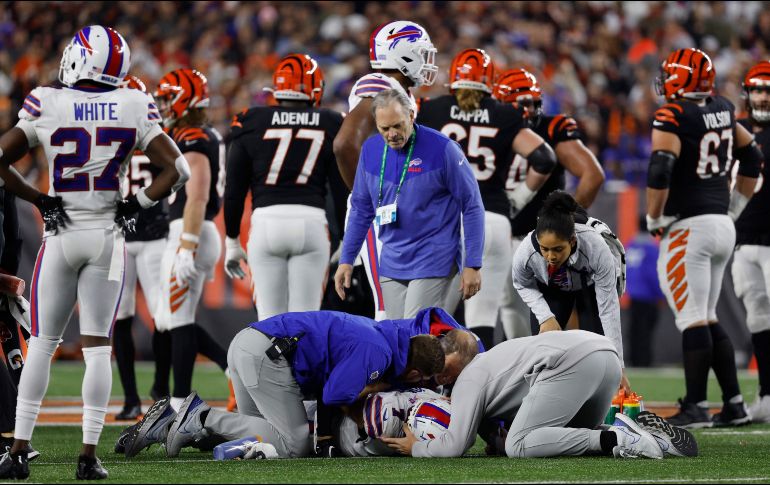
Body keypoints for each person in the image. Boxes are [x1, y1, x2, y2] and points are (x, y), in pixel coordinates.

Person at [0, 25, 189, 480]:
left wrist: (38, 199)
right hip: (106, 236)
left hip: (61, 235)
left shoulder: (48, 100)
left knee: (43, 345)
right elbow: (177, 170)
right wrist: (135, 204)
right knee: (98, 349)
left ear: (80, 59)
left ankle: (18, 452)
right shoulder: (133, 103)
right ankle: (89, 457)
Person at [124, 310, 446, 459]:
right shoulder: (380, 351)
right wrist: (370, 402)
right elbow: (335, 393)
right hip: (267, 356)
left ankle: (167, 424)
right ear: (417, 375)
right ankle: (199, 416)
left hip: (252, 345)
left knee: (256, 433)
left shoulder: (385, 338)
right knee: (294, 445)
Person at [646, 48, 760, 428]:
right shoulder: (725, 108)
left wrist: (653, 216)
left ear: (679, 79)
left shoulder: (673, 114)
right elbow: (753, 156)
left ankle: (694, 405)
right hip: (721, 225)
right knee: (707, 316)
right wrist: (736, 204)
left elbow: (661, 170)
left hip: (688, 227)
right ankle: (735, 403)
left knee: (693, 318)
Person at [415, 49, 557, 349]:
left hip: (447, 220)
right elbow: (544, 158)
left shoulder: (431, 109)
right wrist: (517, 198)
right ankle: (487, 389)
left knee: (434, 311)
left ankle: (431, 386)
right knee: (484, 315)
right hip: (492, 219)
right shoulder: (504, 114)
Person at [382, 330, 696, 459]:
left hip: (573, 365)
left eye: (444, 367)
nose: (441, 374)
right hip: (604, 355)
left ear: (455, 360)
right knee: (562, 436)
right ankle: (641, 431)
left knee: (519, 446)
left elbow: (455, 446)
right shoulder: (494, 357)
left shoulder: (469, 378)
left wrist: (417, 448)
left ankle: (616, 438)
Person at [334, 89, 485, 320]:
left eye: (398, 125)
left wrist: (472, 264)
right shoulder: (370, 150)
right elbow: (361, 209)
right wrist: (347, 259)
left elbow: (472, 205)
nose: (392, 134)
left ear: (411, 116)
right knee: (396, 335)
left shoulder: (443, 149)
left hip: (435, 256)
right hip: (393, 259)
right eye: (385, 128)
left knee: (415, 336)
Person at [223, 54, 343, 320]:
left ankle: (271, 362)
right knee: (307, 323)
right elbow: (341, 186)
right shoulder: (332, 121)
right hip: (312, 223)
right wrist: (347, 237)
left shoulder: (251, 120)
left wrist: (231, 240)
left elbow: (234, 189)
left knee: (269, 322)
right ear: (315, 89)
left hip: (266, 224)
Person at [333, 20, 438, 321]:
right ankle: (390, 369)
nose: (427, 61)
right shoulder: (379, 85)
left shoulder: (398, 91)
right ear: (402, 54)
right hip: (384, 213)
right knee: (389, 308)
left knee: (407, 307)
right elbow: (343, 144)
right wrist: (372, 197)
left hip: (400, 210)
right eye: (421, 53)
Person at [493, 68, 606, 341]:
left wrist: (565, 223)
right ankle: (524, 371)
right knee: (510, 306)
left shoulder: (552, 128)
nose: (530, 110)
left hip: (542, 241)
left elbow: (593, 175)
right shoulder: (489, 127)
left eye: (534, 102)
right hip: (502, 232)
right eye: (523, 104)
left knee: (563, 316)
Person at [151, 68, 229, 413]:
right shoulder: (187, 133)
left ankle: (181, 405)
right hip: (189, 230)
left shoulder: (195, 136)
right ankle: (231, 367)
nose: (164, 104)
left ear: (185, 99)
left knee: (178, 319)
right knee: (167, 319)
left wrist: (187, 245)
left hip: (191, 230)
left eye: (169, 97)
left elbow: (197, 195)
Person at [512, 191, 630, 392]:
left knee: (599, 350)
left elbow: (608, 309)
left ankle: (596, 399)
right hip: (552, 289)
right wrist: (545, 316)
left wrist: (618, 365)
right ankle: (542, 397)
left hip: (589, 287)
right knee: (544, 349)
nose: (551, 257)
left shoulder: (597, 247)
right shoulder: (526, 252)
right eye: (545, 249)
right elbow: (522, 283)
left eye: (558, 249)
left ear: (573, 241)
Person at [111, 74, 171, 421]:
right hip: (130, 236)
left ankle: (153, 392)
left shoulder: (113, 132)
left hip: (146, 236)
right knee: (125, 317)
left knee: (159, 317)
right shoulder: (152, 132)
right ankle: (137, 395)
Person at [731, 60, 770, 423]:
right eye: (756, 89)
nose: (761, 96)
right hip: (743, 240)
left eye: (767, 90)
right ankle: (767, 393)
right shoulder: (736, 130)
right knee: (758, 317)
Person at [625, 217, 666, 367]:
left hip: (632, 296)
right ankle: (644, 361)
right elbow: (653, 274)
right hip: (648, 297)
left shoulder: (630, 245)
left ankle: (633, 360)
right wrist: (660, 295)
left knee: (634, 330)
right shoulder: (651, 247)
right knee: (645, 331)